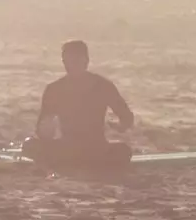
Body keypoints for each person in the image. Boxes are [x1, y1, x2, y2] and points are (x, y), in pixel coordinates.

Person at [22, 40, 134, 170]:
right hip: (71, 148)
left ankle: (72, 161)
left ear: (86, 61)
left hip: (93, 148)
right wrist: (46, 131)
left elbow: (126, 118)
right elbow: (42, 128)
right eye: (67, 61)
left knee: (123, 150)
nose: (70, 65)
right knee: (29, 145)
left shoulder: (103, 86)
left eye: (75, 61)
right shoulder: (54, 89)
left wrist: (120, 126)